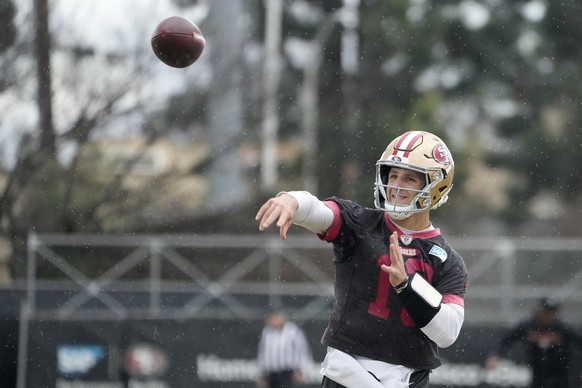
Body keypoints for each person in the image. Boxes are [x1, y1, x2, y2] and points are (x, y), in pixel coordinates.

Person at [255, 131, 469, 388]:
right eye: (393, 175)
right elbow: (319, 211)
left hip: (406, 378)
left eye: (410, 178)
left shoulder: (446, 260)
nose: (396, 185)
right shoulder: (361, 224)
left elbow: (447, 333)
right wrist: (292, 200)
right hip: (346, 372)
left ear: (437, 186)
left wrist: (406, 286)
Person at [485, 297, 582, 388]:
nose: (548, 316)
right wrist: (497, 355)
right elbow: (506, 340)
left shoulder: (562, 328)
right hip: (537, 372)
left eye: (551, 312)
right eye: (546, 312)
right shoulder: (528, 326)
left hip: (560, 373)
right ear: (538, 311)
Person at [256, 309, 313, 388]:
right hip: (271, 373)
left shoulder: (293, 331)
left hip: (288, 372)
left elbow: (302, 350)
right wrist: (262, 374)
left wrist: (302, 370)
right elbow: (263, 353)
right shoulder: (267, 332)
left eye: (275, 318)